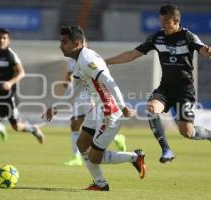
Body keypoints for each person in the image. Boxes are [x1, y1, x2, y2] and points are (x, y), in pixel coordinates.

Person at [105, 4, 211, 163]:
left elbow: (203, 49)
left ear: (176, 21)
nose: (163, 26)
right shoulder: (157, 37)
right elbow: (133, 54)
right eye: (161, 22)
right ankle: (166, 149)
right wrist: (106, 62)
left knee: (187, 132)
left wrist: (207, 51)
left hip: (185, 91)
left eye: (166, 23)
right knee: (151, 108)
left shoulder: (188, 36)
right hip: (165, 89)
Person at [42, 26, 146, 191]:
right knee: (82, 144)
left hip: (109, 111)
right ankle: (100, 184)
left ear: (76, 43)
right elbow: (74, 89)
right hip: (98, 108)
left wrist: (123, 107)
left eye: (64, 42)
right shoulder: (78, 60)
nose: (61, 45)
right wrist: (55, 106)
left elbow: (109, 81)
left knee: (94, 157)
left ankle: (135, 157)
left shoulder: (87, 60)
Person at [0, 28, 45, 163]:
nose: (1, 40)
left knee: (16, 127)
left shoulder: (11, 55)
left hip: (9, 97)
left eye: (4, 38)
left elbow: (21, 73)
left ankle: (33, 129)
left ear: (8, 40)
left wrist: (9, 82)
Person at [63, 57, 127, 167]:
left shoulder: (89, 59)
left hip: (90, 96)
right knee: (74, 125)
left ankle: (117, 138)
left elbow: (101, 77)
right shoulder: (71, 61)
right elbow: (69, 77)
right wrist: (68, 82)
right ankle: (76, 157)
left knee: (94, 129)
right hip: (78, 96)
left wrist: (95, 97)